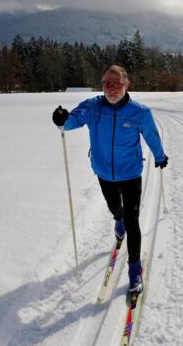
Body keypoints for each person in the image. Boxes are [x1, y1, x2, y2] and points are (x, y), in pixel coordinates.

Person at [52, 65, 168, 294]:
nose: (111, 88)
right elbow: (72, 120)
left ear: (127, 84)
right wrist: (61, 119)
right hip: (104, 172)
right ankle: (118, 218)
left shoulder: (140, 112)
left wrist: (160, 155)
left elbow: (151, 136)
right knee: (115, 207)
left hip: (131, 173)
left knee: (133, 222)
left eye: (116, 83)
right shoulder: (93, 107)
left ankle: (135, 270)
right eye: (106, 83)